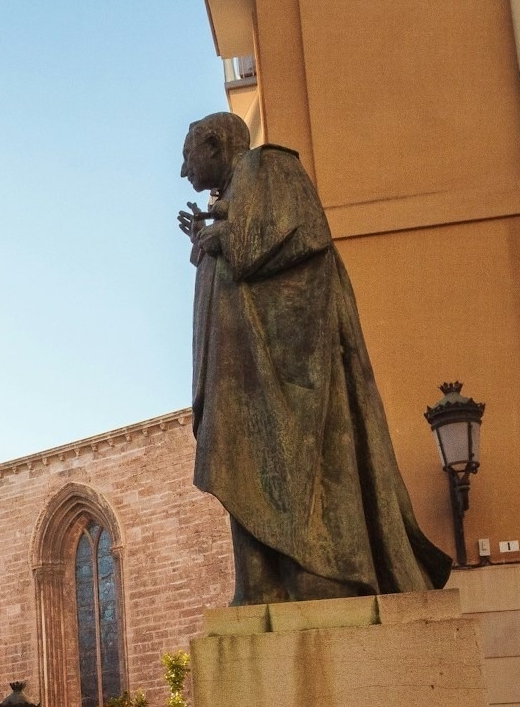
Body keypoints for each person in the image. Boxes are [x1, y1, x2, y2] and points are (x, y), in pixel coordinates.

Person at [179, 111, 450, 605]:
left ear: (216, 145)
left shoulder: (271, 167)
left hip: (284, 367)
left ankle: (316, 570)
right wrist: (207, 240)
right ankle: (258, 584)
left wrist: (223, 238)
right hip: (244, 367)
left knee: (286, 460)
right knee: (239, 460)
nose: (184, 172)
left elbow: (303, 233)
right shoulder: (238, 191)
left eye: (187, 156)